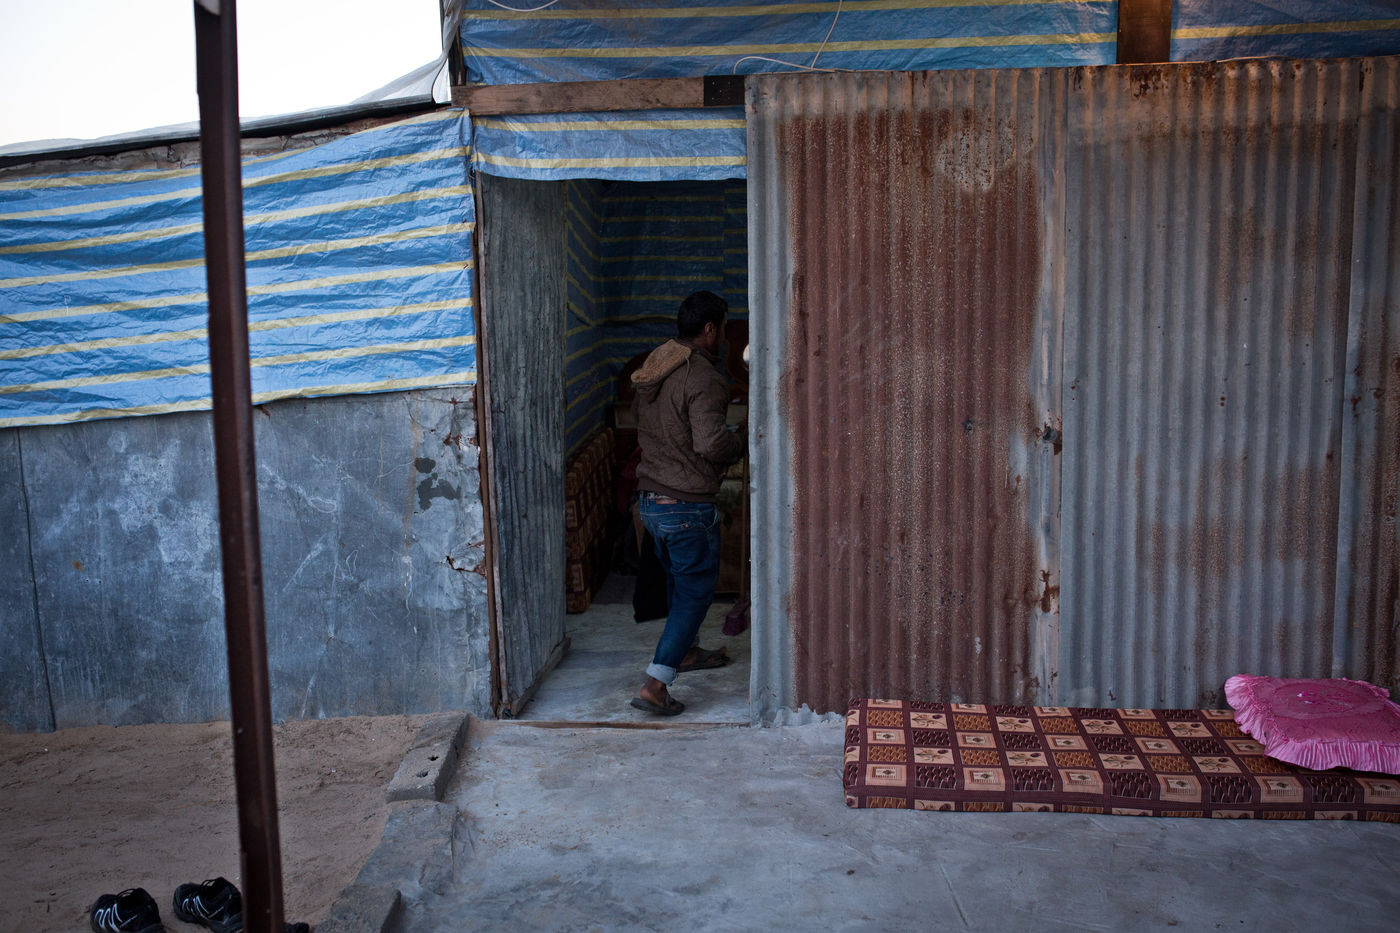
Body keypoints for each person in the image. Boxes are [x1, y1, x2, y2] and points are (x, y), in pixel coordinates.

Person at [628, 290, 745, 715]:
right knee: (694, 594)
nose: (725, 337)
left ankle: (688, 652)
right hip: (685, 505)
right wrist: (741, 440)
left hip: (650, 503)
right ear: (711, 329)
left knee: (679, 585)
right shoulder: (704, 377)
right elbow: (711, 443)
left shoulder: (658, 363)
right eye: (724, 327)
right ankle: (656, 684)